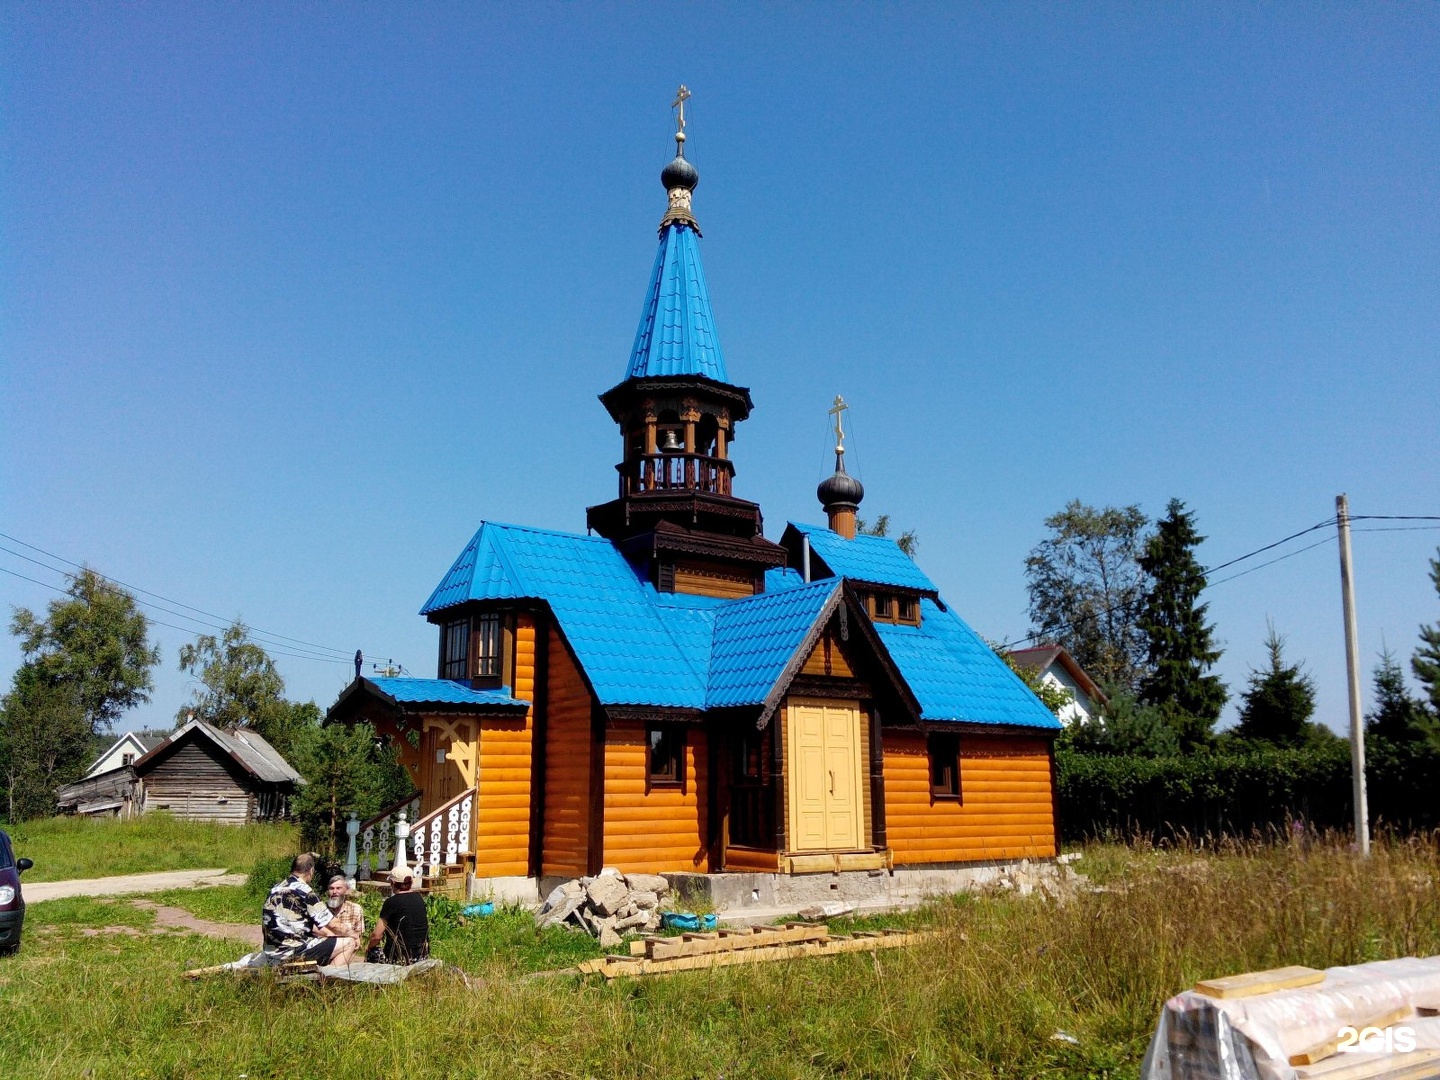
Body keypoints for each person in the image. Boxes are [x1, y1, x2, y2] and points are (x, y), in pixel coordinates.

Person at [261, 853, 357, 967]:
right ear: (311, 871)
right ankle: (328, 979)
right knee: (350, 943)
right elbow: (333, 924)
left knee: (327, 940)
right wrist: (354, 935)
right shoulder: (305, 891)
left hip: (272, 952)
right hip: (292, 953)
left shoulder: (274, 889)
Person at [366, 865, 428, 965]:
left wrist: (368, 948)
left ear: (393, 883)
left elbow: (377, 936)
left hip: (398, 958)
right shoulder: (419, 898)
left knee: (372, 952)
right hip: (421, 956)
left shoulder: (391, 902)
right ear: (411, 882)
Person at [324, 874, 365, 944]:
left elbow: (358, 936)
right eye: (331, 888)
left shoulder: (355, 909)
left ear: (347, 891)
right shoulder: (322, 910)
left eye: (338, 888)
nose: (334, 892)